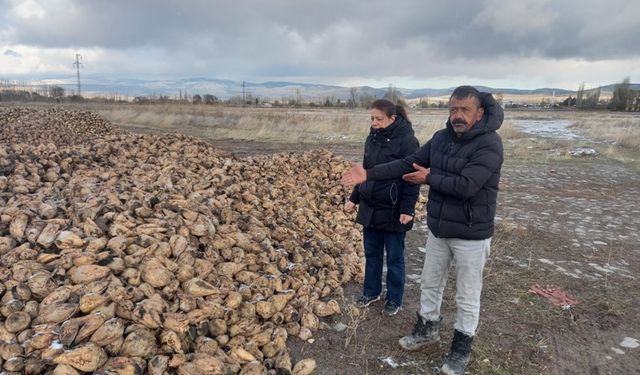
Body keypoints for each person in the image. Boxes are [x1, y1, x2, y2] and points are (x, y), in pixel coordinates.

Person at [341, 86, 504, 375]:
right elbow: (407, 163)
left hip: (472, 233)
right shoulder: (441, 139)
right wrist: (369, 174)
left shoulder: (490, 144)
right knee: (430, 283)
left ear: (479, 113)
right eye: (453, 109)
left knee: (467, 295)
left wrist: (428, 177)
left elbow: (468, 185)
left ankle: (461, 347)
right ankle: (426, 330)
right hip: (439, 229)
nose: (457, 115)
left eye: (464, 109)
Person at [345, 99, 420, 316]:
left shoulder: (407, 141)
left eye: (379, 118)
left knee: (395, 257)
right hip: (370, 207)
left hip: (394, 208)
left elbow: (411, 179)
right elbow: (365, 172)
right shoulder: (372, 138)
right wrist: (354, 198)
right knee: (372, 253)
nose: (374, 122)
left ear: (392, 119)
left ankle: (394, 299)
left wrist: (408, 209)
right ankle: (371, 292)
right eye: (372, 118)